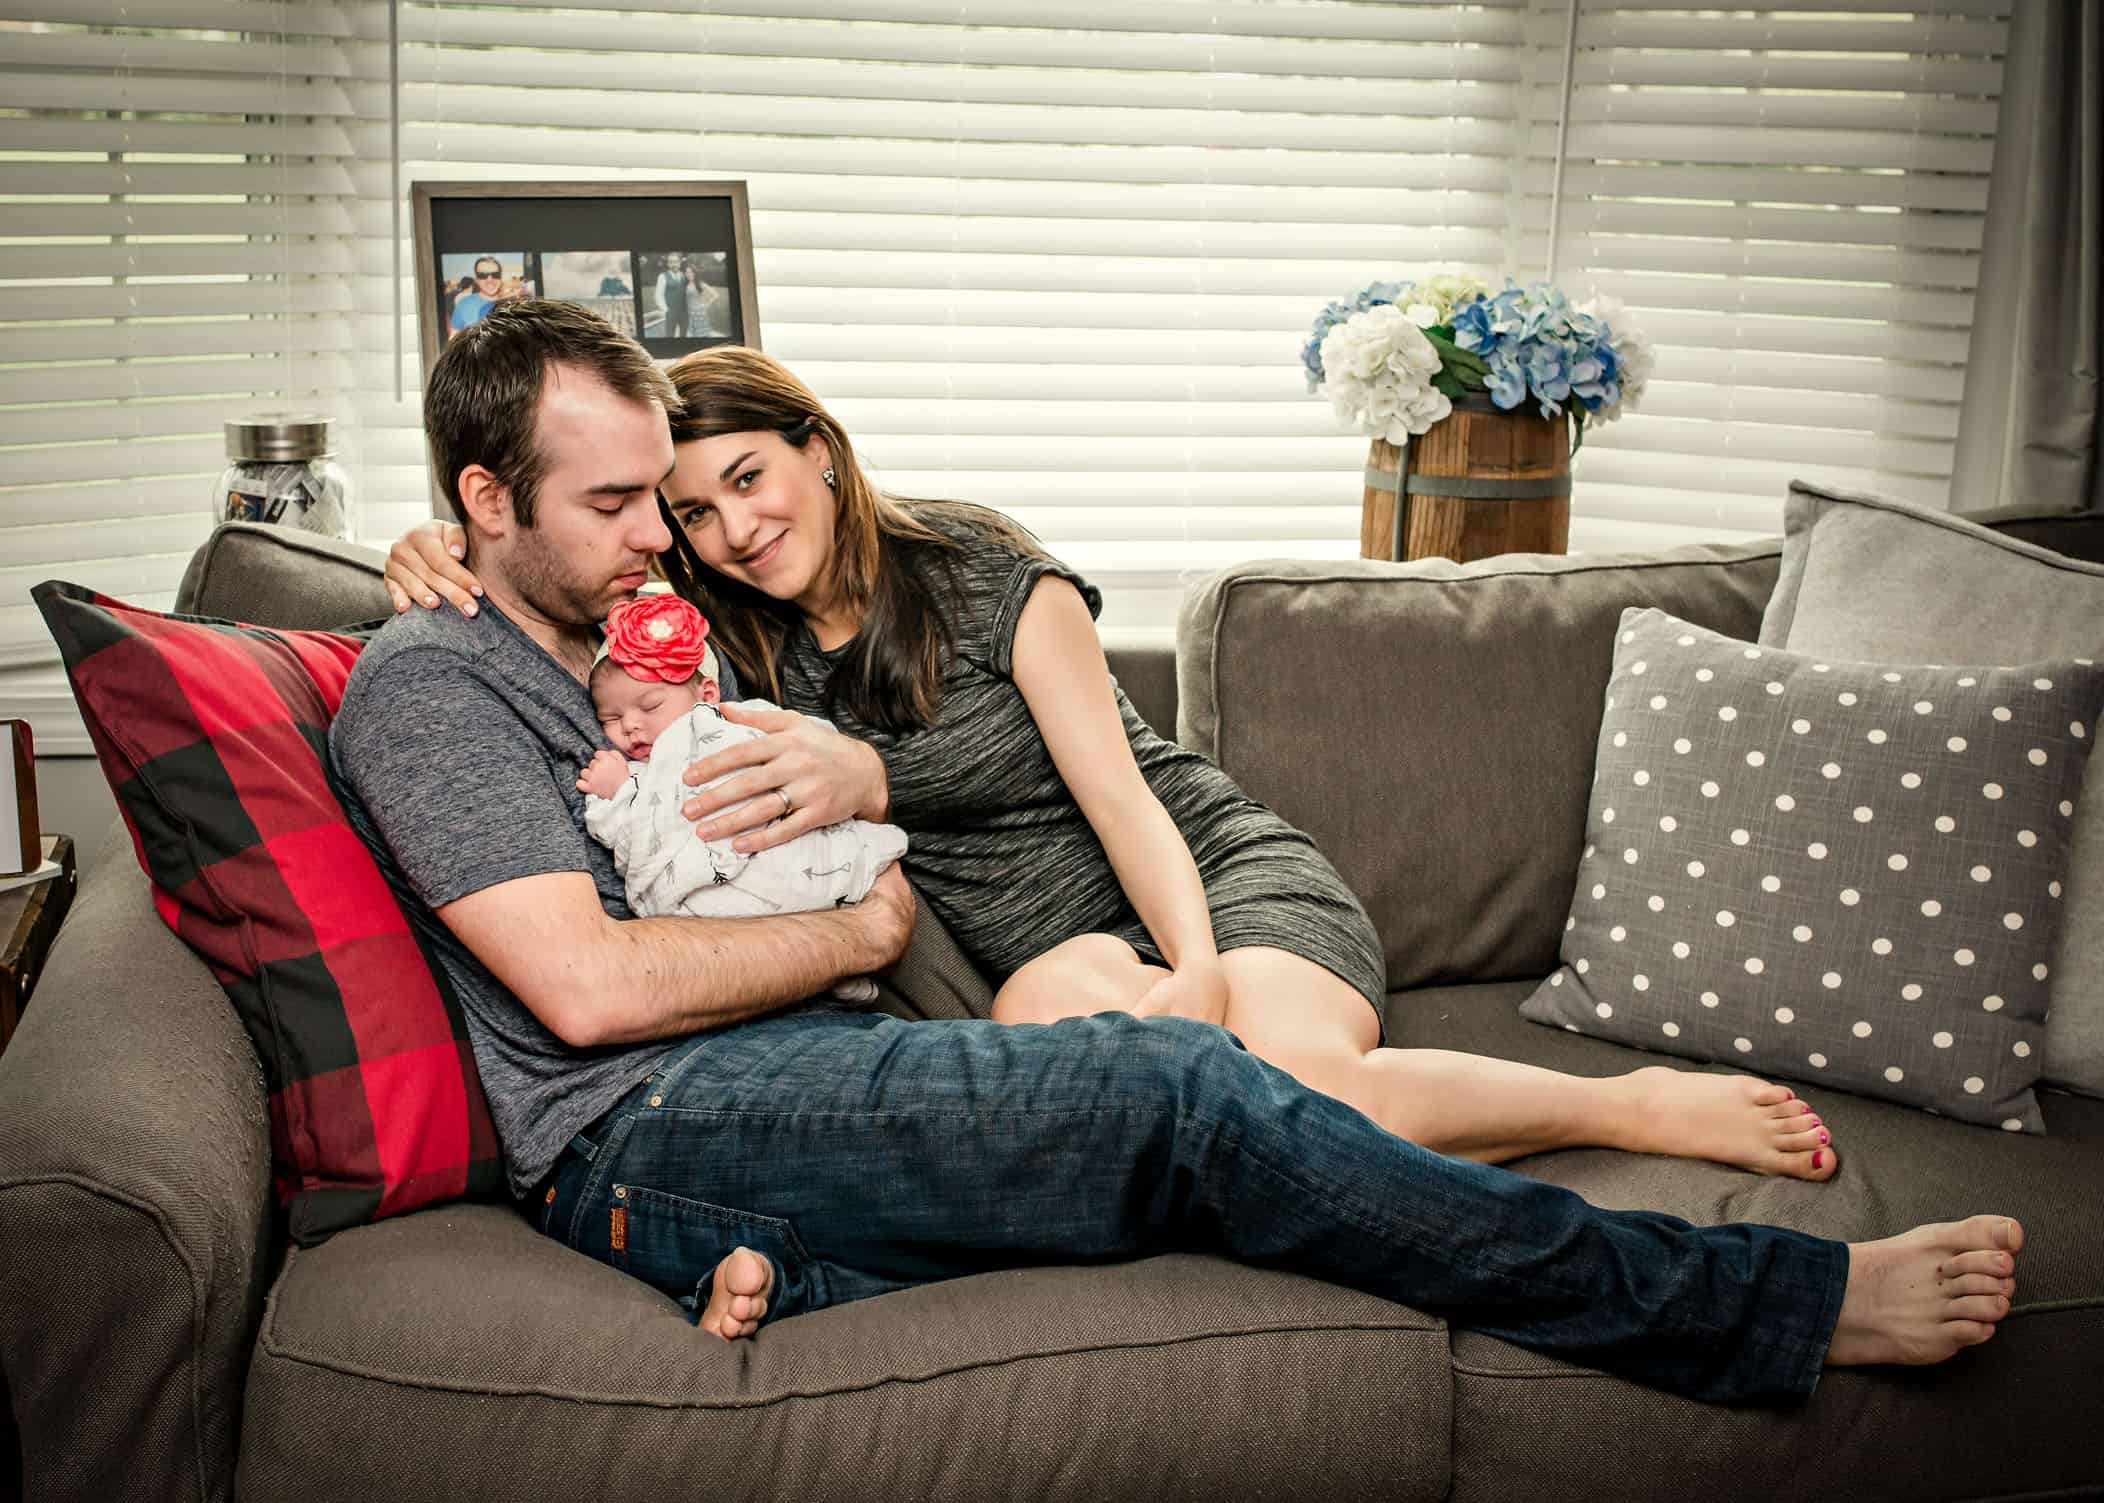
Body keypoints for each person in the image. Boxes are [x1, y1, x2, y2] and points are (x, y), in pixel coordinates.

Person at [340, 298, 2023, 1396]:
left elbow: (1086, 803)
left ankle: (789, 1262)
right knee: (1177, 1098)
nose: (673, 540)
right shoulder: (450, 672)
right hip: (665, 1104)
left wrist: (1158, 960)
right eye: (629, 506)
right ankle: (1763, 1304)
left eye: (681, 496)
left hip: (876, 1020)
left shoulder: (674, 619)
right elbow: (585, 991)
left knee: (1187, 1100)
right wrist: (863, 933)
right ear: (490, 503)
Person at [388, 351, 1850, 1189]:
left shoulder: (981, 569)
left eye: (749, 479)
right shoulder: (718, 628)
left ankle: (1622, 1107)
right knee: (1116, 1105)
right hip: (1039, 952)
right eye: (693, 512)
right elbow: (551, 580)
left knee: (1295, 1084)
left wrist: (1200, 967)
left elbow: (1128, 799)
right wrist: (431, 543)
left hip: (1206, 879)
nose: (730, 529)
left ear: (818, 451)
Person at [580, 592, 906, 1001]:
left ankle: (831, 942)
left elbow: (813, 751)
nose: (629, 726)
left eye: (651, 705)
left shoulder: (736, 721)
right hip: (718, 904)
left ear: (707, 695)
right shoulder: (637, 777)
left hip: (781, 849)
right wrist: (615, 792)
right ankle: (820, 970)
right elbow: (628, 835)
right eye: (610, 718)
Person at [450, 257, 516, 334]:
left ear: (500, 277)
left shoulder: (514, 304)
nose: (490, 280)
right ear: (477, 279)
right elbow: (453, 337)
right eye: (483, 276)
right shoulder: (463, 305)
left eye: (495, 275)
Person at [655, 255, 691, 339]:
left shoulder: (684, 275)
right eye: (671, 262)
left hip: (684, 312)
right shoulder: (663, 276)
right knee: (670, 335)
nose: (674, 264)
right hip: (671, 311)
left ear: (679, 263)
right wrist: (666, 310)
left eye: (676, 262)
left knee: (684, 334)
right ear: (668, 264)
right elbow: (658, 295)